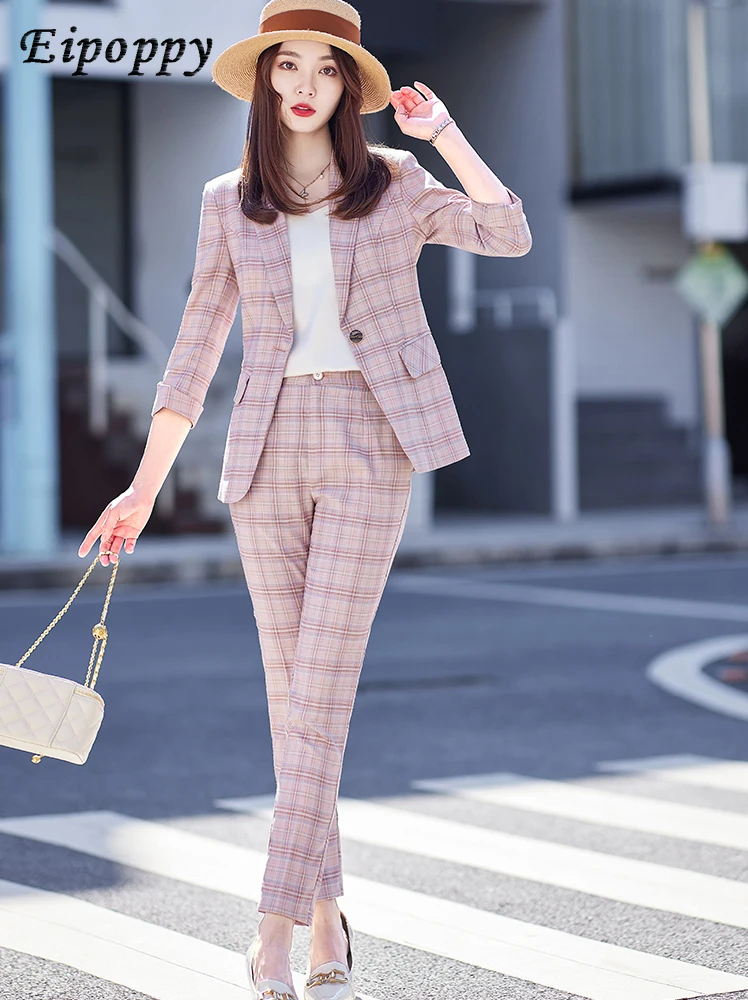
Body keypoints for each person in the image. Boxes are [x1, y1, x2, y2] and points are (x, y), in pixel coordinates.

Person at [77, 1, 532, 996]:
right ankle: (327, 915)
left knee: (319, 694)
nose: (305, 84)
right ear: (263, 80)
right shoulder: (226, 201)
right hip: (265, 458)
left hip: (372, 448)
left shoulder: (400, 185)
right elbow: (193, 355)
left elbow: (509, 231)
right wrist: (142, 491)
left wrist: (445, 134)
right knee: (296, 709)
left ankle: (271, 933)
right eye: (288, 65)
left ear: (348, 87)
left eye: (326, 69)